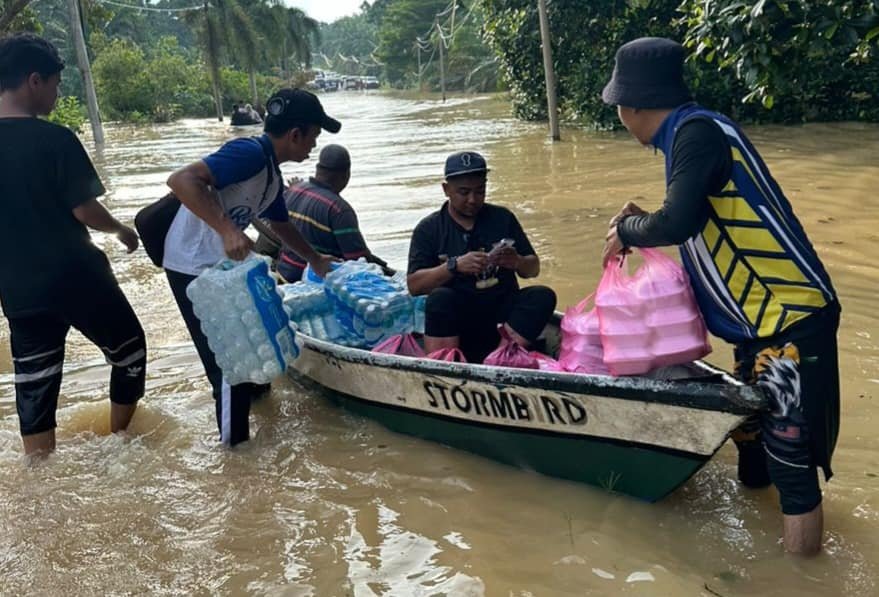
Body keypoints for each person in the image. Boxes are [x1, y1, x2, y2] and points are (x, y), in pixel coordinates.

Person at [600, 37, 841, 555]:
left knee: (791, 459)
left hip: (790, 321)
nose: (620, 116)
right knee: (753, 442)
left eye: (619, 106)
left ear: (635, 105)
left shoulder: (695, 134)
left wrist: (630, 231)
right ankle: (758, 553)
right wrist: (645, 219)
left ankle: (801, 581)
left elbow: (679, 220)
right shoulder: (695, 133)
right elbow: (701, 220)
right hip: (760, 324)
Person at [164, 87, 339, 447]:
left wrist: (316, 259)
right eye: (313, 137)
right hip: (193, 265)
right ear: (295, 134)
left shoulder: (271, 175)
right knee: (230, 366)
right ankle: (236, 457)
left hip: (224, 268)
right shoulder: (248, 154)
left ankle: (260, 414)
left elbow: (282, 224)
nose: (312, 146)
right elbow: (181, 180)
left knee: (256, 351)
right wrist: (227, 229)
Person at [0, 33, 147, 456]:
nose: (56, 92)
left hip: (20, 289)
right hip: (76, 276)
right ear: (33, 80)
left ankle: (39, 475)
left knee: (35, 386)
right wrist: (121, 230)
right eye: (55, 83)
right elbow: (84, 211)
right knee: (129, 351)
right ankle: (120, 441)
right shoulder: (55, 140)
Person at [407, 151, 557, 362]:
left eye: (480, 191)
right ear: (446, 190)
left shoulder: (502, 218)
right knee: (440, 299)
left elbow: (533, 269)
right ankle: (446, 364)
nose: (472, 200)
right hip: (457, 320)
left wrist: (517, 262)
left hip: (502, 318)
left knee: (541, 296)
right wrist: (454, 265)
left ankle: (501, 359)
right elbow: (414, 286)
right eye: (464, 192)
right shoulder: (429, 229)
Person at [275, 143, 391, 282]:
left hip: (283, 272)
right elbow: (359, 261)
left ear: (317, 169)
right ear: (346, 175)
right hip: (312, 281)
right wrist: (390, 273)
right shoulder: (339, 210)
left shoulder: (293, 191)